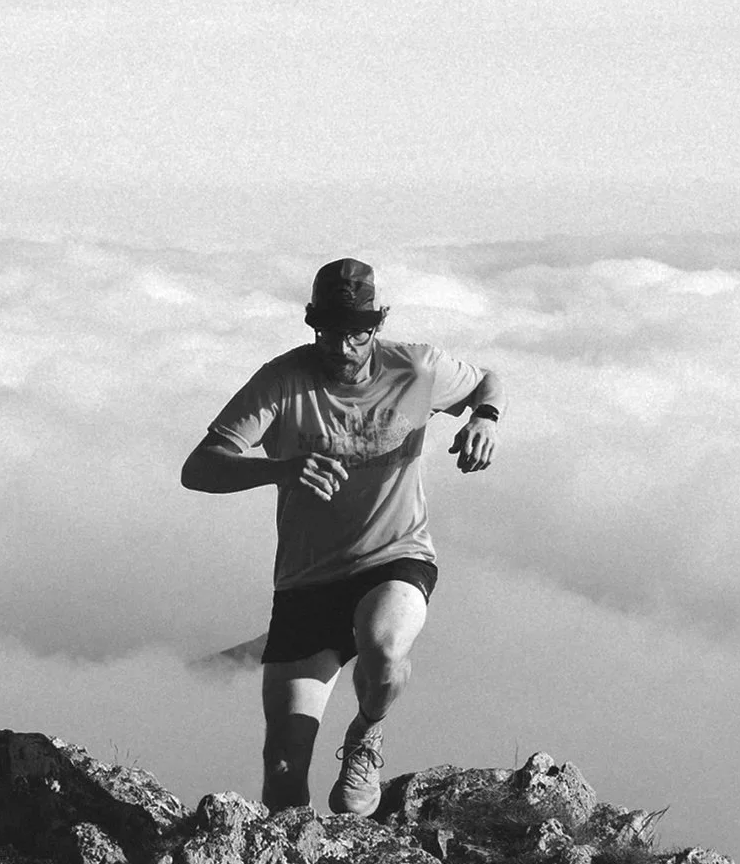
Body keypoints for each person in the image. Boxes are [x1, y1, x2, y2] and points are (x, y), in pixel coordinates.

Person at [181, 257, 501, 816]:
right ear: (313, 324)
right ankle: (297, 860)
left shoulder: (415, 368)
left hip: (394, 555)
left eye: (357, 332)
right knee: (284, 773)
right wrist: (280, 469)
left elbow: (485, 382)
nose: (343, 346)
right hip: (307, 582)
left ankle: (366, 733)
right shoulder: (282, 381)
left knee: (384, 646)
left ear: (376, 325)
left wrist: (485, 418)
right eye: (329, 332)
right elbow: (200, 467)